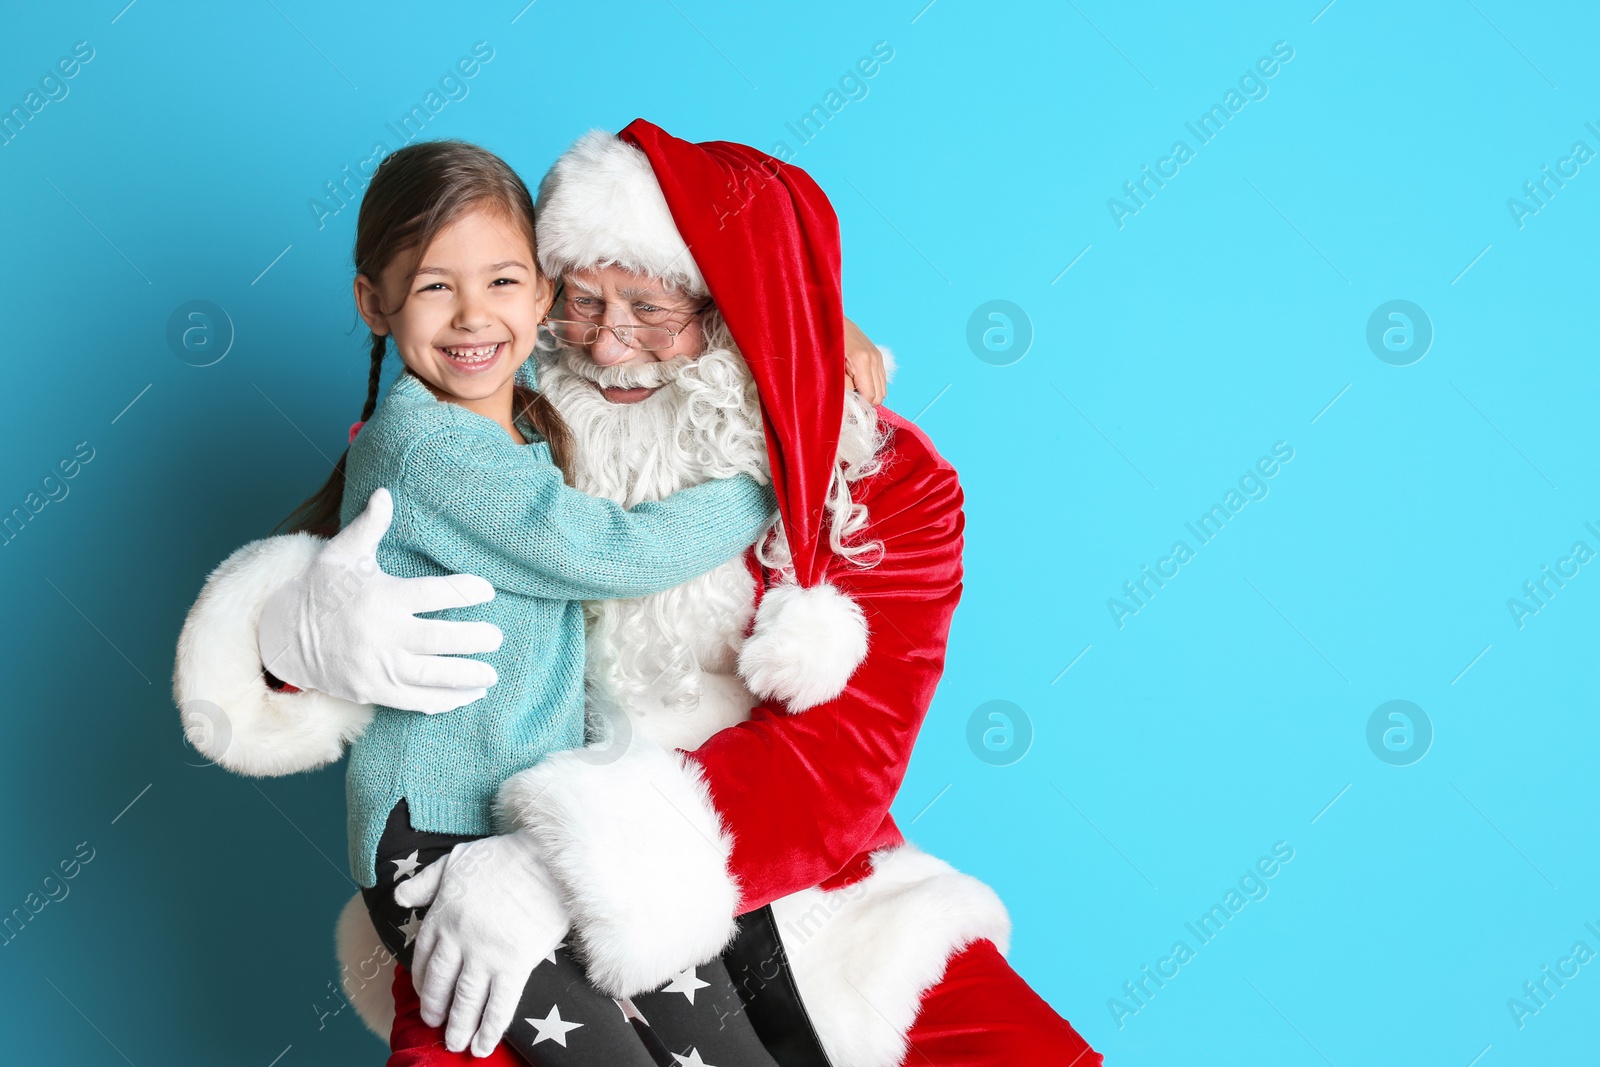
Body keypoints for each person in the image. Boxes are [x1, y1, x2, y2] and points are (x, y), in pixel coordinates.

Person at [175, 121, 1102, 1067]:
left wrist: (560, 865)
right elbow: (391, 524)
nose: (611, 346)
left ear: (732, 312)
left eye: (653, 309)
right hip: (470, 856)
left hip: (791, 890)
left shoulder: (875, 481)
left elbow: (837, 771)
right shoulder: (517, 403)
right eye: (582, 301)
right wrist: (288, 636)